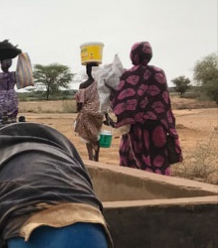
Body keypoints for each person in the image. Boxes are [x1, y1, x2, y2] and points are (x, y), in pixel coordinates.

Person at [110, 41, 182, 175]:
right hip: (158, 125)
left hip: (136, 127)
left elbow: (119, 99)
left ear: (133, 55)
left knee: (131, 159)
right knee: (157, 158)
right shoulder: (159, 73)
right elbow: (165, 101)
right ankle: (162, 188)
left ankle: (136, 190)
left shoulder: (127, 75)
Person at [74, 62, 106, 162]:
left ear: (88, 72)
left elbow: (80, 102)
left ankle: (90, 157)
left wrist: (79, 109)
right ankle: (96, 157)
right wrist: (107, 116)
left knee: (88, 136)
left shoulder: (83, 85)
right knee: (96, 135)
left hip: (87, 114)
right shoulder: (101, 85)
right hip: (98, 114)